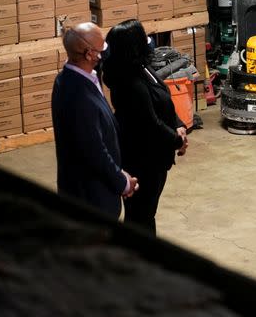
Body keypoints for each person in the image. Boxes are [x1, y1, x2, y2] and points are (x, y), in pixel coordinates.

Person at [103, 19, 188, 234]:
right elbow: (150, 123)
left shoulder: (143, 68)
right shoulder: (129, 83)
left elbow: (162, 97)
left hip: (157, 155)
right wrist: (177, 140)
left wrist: (178, 124)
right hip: (142, 160)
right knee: (141, 216)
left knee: (146, 214)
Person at [52, 22, 137, 217]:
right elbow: (94, 150)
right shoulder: (77, 96)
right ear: (90, 54)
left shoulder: (73, 78)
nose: (104, 54)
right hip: (91, 198)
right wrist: (122, 182)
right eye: (102, 49)